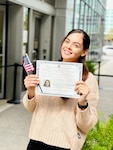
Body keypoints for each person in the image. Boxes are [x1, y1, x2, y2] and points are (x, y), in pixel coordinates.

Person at [23, 29, 99, 150]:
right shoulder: (46, 71)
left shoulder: (88, 81)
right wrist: (31, 91)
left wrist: (83, 103)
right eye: (67, 41)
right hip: (36, 142)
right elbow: (30, 108)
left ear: (84, 52)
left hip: (65, 146)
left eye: (76, 45)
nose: (68, 47)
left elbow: (87, 125)